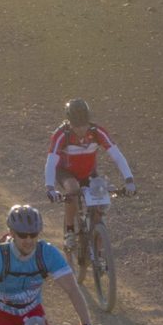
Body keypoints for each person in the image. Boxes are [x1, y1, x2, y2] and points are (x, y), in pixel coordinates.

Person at [42, 98, 136, 244]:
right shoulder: (61, 134)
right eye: (76, 126)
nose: (80, 129)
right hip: (66, 172)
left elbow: (117, 156)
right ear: (69, 122)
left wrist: (129, 180)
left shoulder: (97, 132)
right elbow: (51, 162)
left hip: (88, 173)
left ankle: (99, 256)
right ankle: (70, 230)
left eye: (84, 125)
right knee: (73, 189)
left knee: (99, 206)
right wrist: (50, 187)